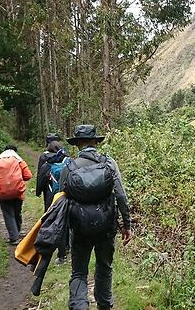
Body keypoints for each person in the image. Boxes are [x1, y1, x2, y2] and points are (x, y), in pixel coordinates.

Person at [60, 124, 132, 310]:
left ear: (77, 144)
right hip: (106, 227)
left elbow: (61, 199)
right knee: (104, 267)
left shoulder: (69, 166)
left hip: (79, 228)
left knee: (78, 272)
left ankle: (79, 306)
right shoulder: (109, 163)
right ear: (95, 142)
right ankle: (105, 305)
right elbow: (121, 195)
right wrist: (126, 224)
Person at [0, 144, 33, 245]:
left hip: (3, 194)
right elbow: (28, 175)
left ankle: (14, 237)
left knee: (9, 214)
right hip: (18, 192)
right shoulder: (19, 161)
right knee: (17, 212)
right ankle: (17, 231)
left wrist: (2, 181)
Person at [37, 140, 71, 264]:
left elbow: (40, 181)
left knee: (54, 224)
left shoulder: (47, 164)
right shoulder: (68, 162)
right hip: (67, 196)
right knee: (66, 223)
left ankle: (58, 253)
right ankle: (67, 247)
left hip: (51, 198)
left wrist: (38, 192)